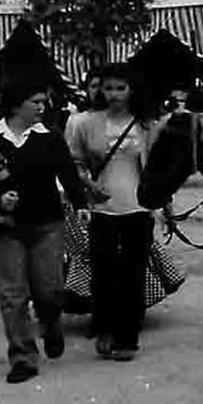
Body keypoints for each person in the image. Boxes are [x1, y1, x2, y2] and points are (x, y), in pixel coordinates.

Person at [0, 80, 90, 383]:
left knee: (50, 290)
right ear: (16, 104)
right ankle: (22, 357)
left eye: (44, 103)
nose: (43, 108)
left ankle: (51, 323)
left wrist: (81, 203)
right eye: (36, 102)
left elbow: (67, 173)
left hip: (48, 225)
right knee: (12, 295)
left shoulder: (50, 138)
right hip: (6, 228)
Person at [66, 63, 154, 361]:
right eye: (109, 88)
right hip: (101, 208)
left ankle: (128, 337)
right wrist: (87, 184)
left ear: (132, 90)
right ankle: (104, 326)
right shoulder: (83, 123)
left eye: (121, 88)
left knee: (134, 273)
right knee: (102, 273)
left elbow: (155, 170)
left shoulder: (147, 124)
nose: (114, 94)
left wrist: (164, 208)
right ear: (99, 90)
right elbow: (73, 161)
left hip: (139, 208)